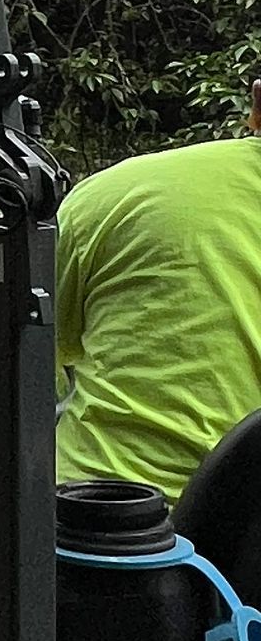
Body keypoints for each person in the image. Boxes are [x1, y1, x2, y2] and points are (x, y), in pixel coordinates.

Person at [54, 81, 261, 499]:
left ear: (257, 102)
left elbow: (3, 334)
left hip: (121, 533)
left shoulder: (119, 193)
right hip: (247, 550)